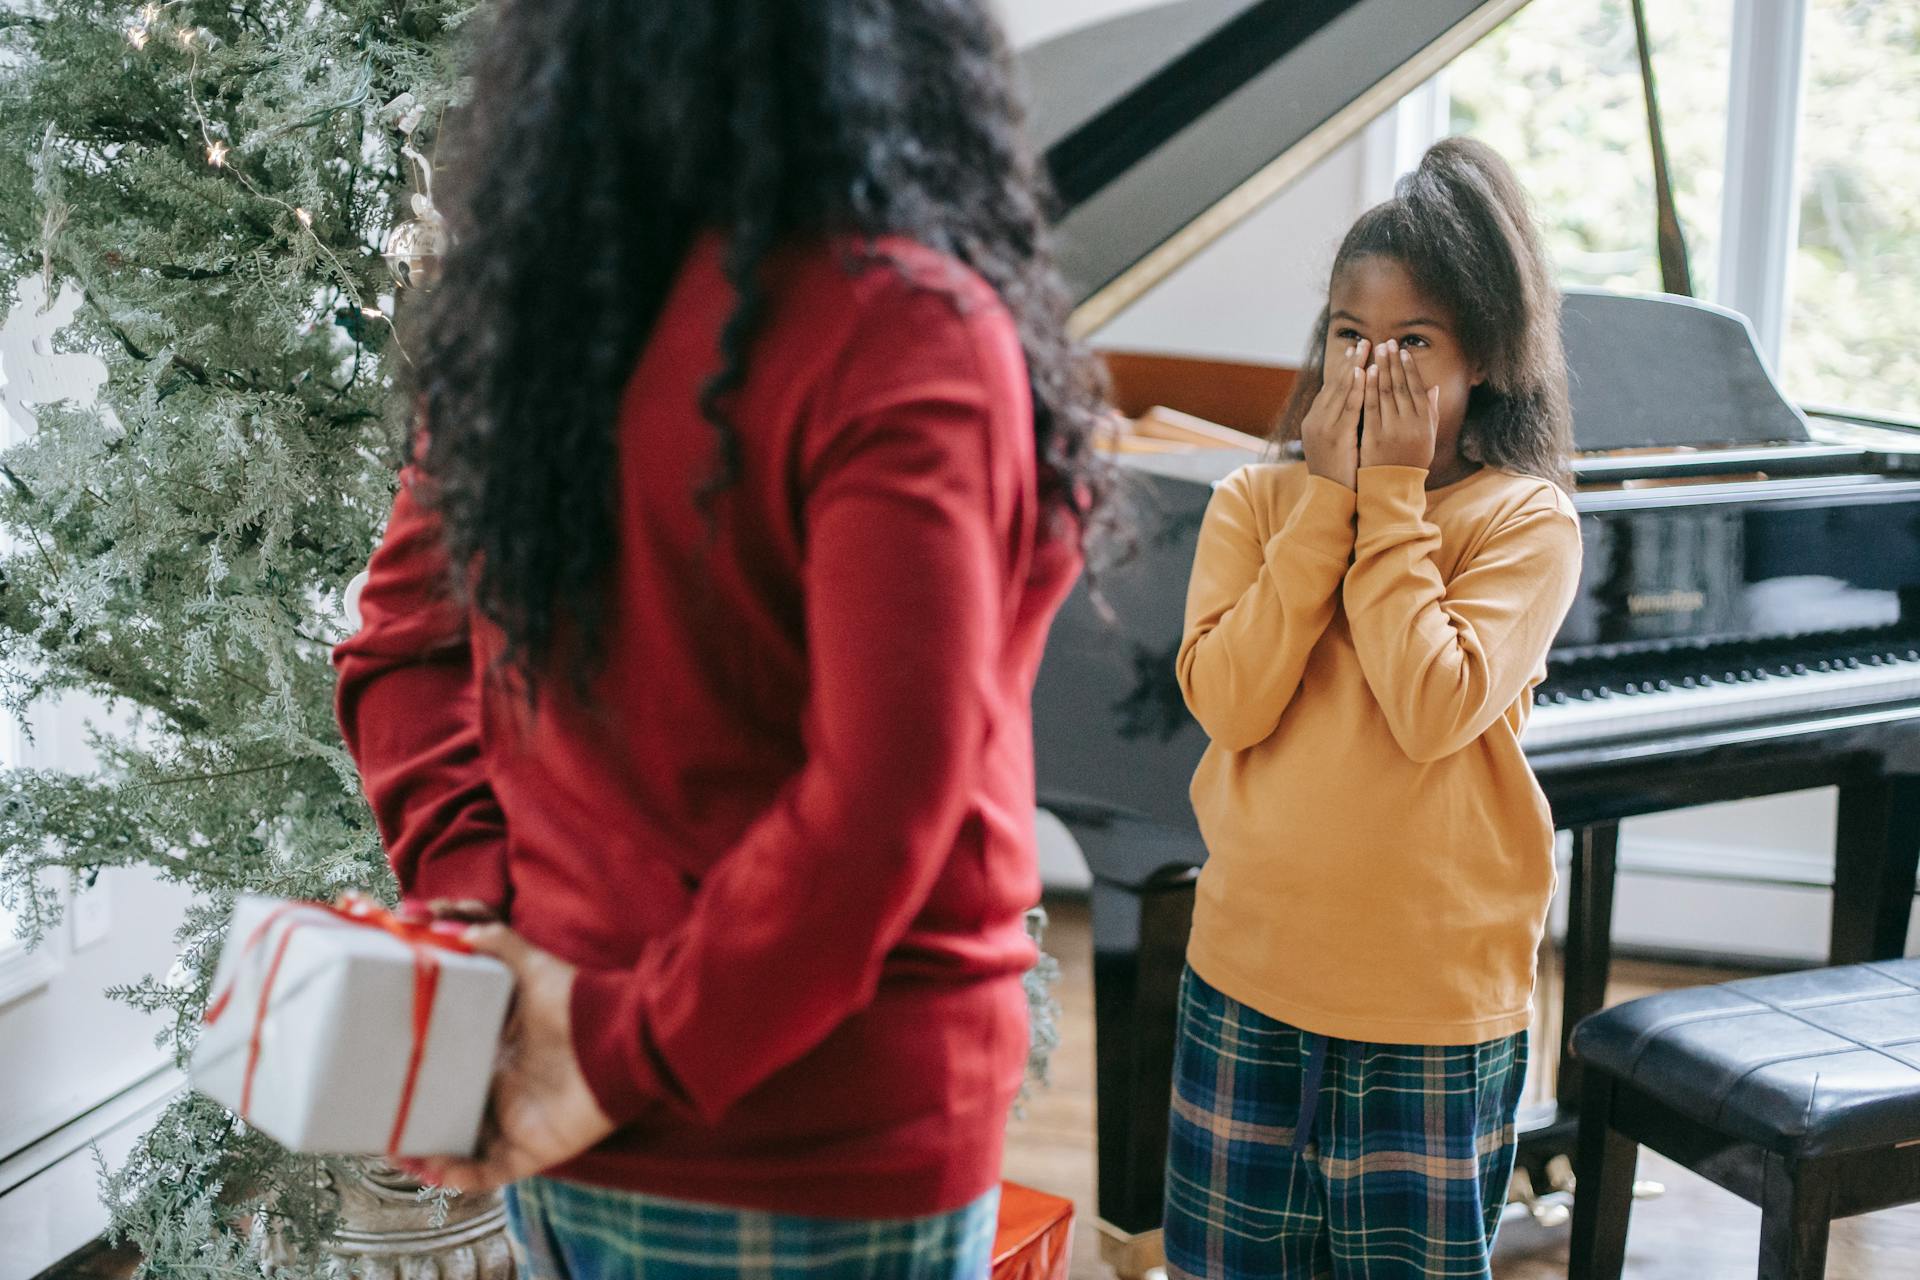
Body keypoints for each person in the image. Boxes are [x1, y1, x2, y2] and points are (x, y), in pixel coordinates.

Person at [330, 3, 1111, 1276]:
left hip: (566, 1095)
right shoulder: (903, 324)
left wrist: (505, 944)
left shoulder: (549, 308)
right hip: (817, 1144)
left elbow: (402, 648)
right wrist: (617, 1041)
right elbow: (881, 801)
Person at [1162, 137, 1583, 1280]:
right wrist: (1325, 507)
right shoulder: (1256, 502)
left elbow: (1430, 704)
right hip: (1249, 976)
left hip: (1432, 1002)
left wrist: (1389, 498)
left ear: (1485, 358)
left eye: (1412, 345)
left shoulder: (1523, 522)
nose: (1373, 370)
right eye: (1352, 339)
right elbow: (1232, 702)